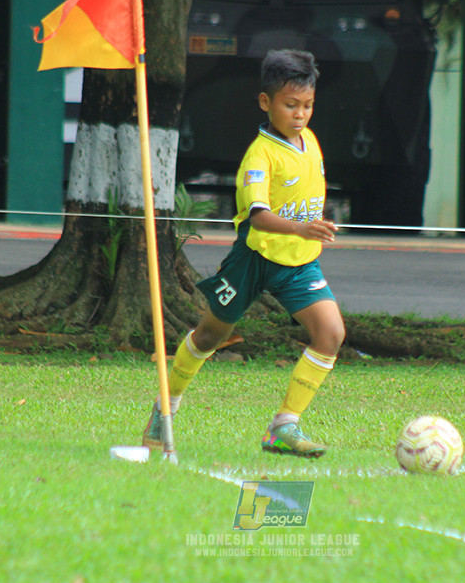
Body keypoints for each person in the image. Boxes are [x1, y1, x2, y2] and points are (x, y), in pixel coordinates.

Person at [142, 49, 345, 458]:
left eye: (307, 105)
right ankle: (165, 407)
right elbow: (259, 217)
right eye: (290, 105)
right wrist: (302, 227)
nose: (301, 113)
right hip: (253, 260)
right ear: (266, 102)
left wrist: (307, 231)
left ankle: (283, 426)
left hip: (299, 262)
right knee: (210, 335)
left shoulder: (311, 142)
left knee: (331, 334)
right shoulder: (260, 154)